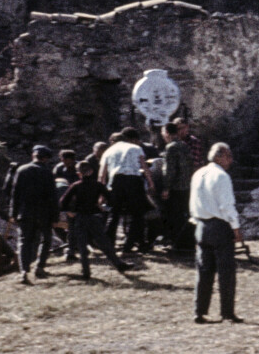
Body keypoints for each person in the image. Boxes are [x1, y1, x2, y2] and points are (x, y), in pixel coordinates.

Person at [188, 142, 244, 324]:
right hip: (219, 226)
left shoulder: (198, 173)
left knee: (203, 270)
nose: (231, 160)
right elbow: (227, 205)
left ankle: (199, 310)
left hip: (201, 224)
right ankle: (227, 312)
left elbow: (193, 202)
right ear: (219, 157)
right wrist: (235, 227)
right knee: (226, 271)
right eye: (228, 156)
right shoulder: (221, 176)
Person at [58, 158, 131, 278]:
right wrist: (103, 207)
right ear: (92, 171)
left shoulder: (75, 186)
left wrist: (69, 211)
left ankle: (86, 272)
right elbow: (111, 199)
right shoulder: (98, 185)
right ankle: (118, 264)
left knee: (82, 246)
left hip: (80, 217)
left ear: (78, 173)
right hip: (93, 217)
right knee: (104, 243)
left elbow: (63, 201)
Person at [8, 145, 61, 283]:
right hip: (44, 214)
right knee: (46, 240)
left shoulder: (21, 170)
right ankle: (39, 266)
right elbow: (53, 197)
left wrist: (13, 213)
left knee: (24, 241)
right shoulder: (47, 173)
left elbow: (15, 194)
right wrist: (55, 216)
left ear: (33, 156)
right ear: (45, 158)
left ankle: (24, 271)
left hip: (25, 213)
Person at [101, 127, 152, 254]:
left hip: (116, 182)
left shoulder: (108, 151)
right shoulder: (135, 148)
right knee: (137, 214)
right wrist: (151, 183)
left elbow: (102, 174)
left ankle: (108, 244)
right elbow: (144, 166)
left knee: (114, 213)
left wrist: (102, 192)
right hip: (133, 180)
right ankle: (129, 245)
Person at [159, 120, 195, 255]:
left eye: (163, 132)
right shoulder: (184, 145)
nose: (162, 135)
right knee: (184, 215)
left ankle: (177, 244)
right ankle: (187, 244)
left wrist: (166, 188)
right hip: (186, 186)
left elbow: (170, 170)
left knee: (174, 217)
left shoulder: (171, 147)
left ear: (167, 133)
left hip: (176, 187)